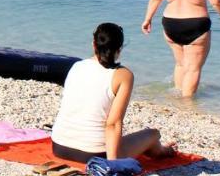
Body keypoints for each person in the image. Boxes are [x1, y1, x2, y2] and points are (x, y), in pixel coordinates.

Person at [50, 22, 177, 163]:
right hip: (93, 154)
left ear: (94, 44)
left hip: (59, 146)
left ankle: (158, 149)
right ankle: (163, 151)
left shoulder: (77, 66)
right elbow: (113, 123)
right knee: (153, 134)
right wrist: (113, 163)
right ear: (119, 49)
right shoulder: (123, 75)